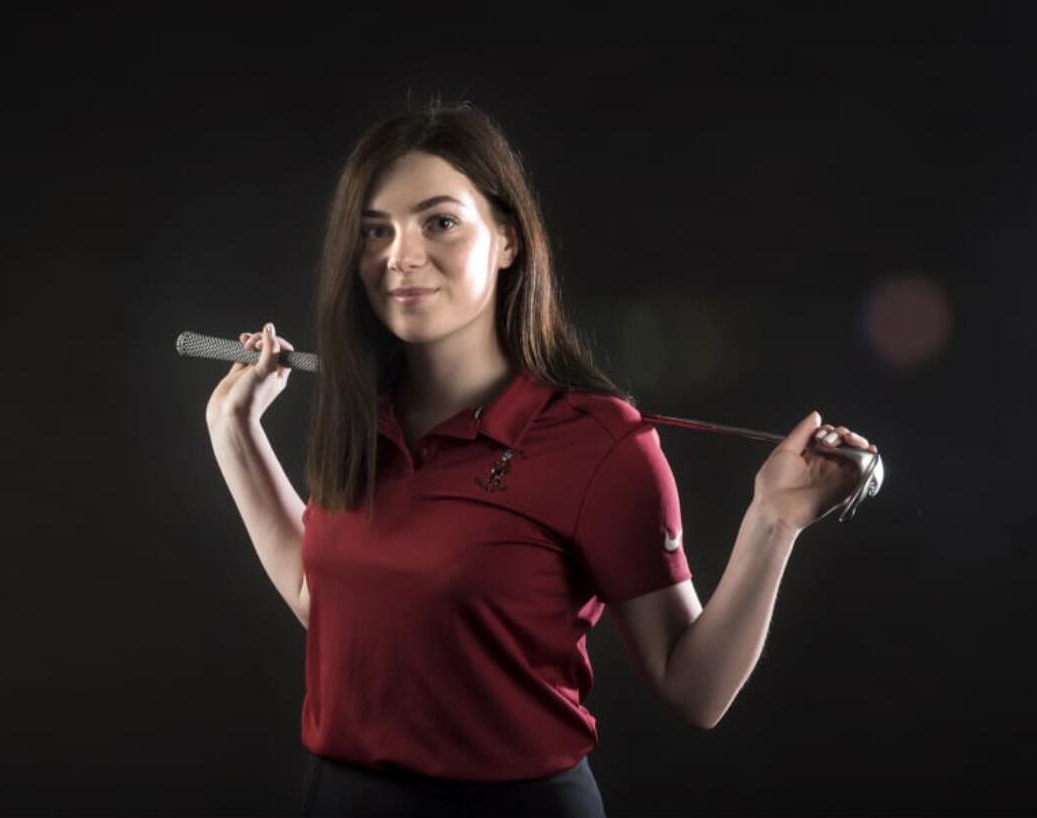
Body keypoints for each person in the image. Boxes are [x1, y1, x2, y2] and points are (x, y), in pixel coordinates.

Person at [204, 100, 877, 818]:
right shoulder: (362, 415)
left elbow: (695, 690)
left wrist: (774, 521)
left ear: (507, 240)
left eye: (439, 221)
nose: (399, 255)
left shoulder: (600, 441)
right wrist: (233, 430)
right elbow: (330, 606)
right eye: (376, 229)